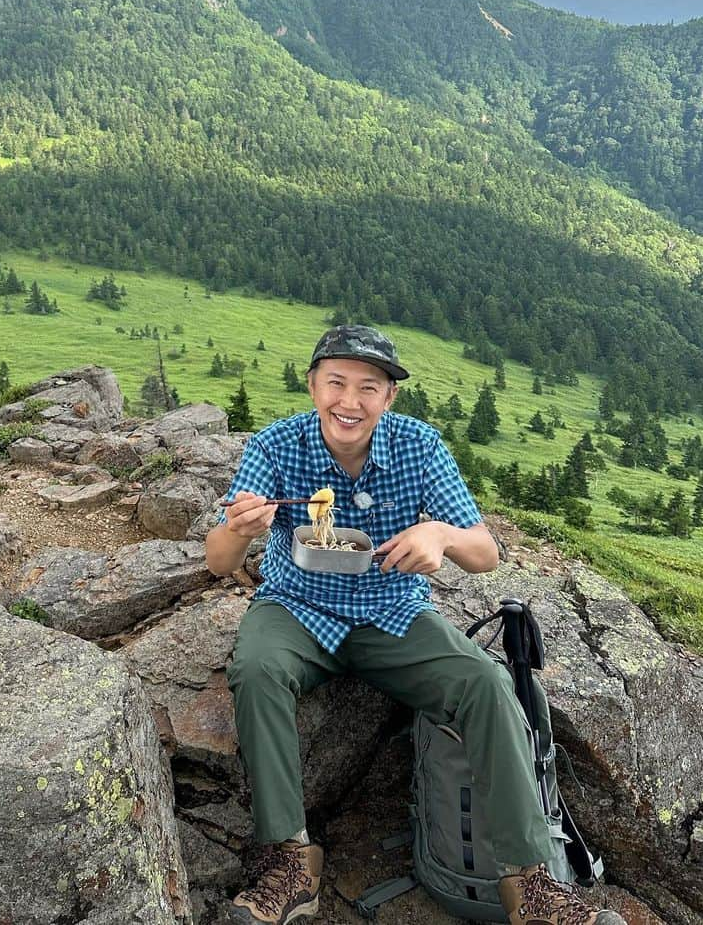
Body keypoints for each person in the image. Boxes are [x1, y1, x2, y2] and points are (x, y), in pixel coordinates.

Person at [207, 325, 625, 925]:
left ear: (389, 398)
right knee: (256, 667)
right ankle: (291, 862)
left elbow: (485, 553)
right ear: (312, 385)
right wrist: (238, 530)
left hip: (391, 609)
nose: (349, 402)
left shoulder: (419, 448)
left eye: (368, 388)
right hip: (295, 605)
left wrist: (441, 534)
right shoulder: (276, 446)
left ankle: (528, 882)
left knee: (483, 682)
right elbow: (218, 562)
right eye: (336, 383)